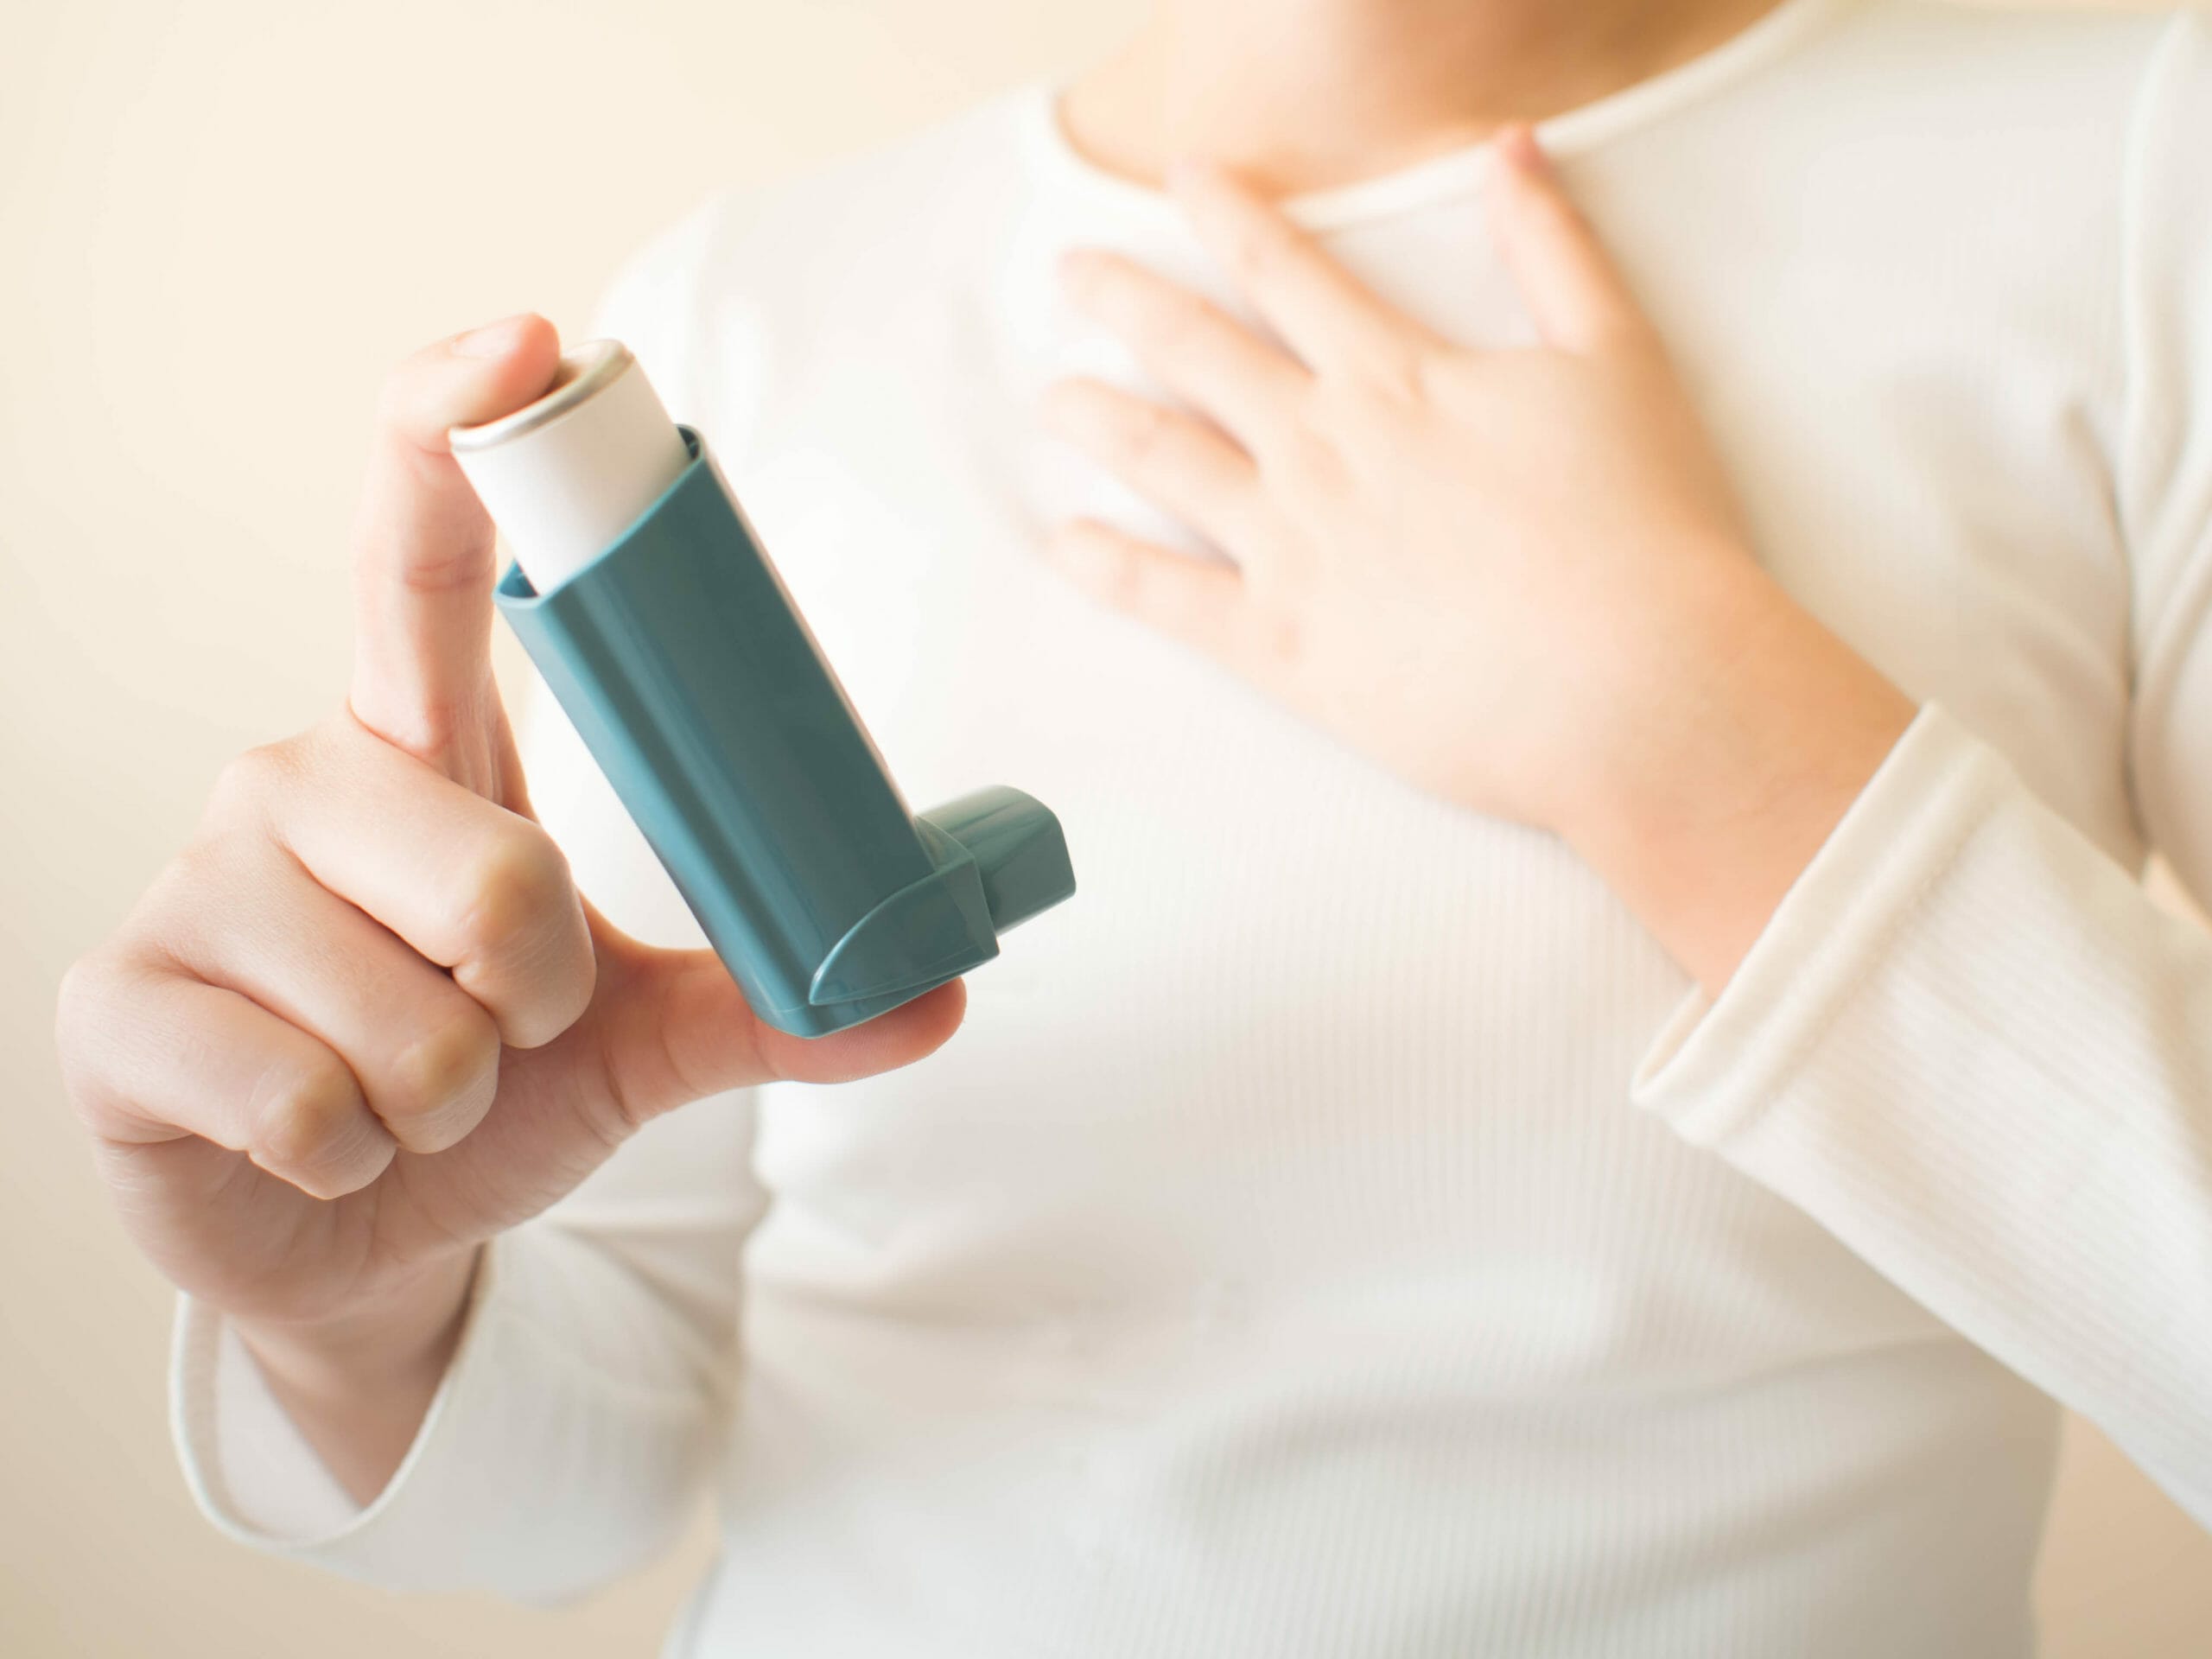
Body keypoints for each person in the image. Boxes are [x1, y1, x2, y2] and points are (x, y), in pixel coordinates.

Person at [53, 0, 2212, 1650]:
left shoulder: (2130, 175)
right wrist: (345, 1316)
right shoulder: (748, 320)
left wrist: (1697, 745)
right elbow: (591, 1478)